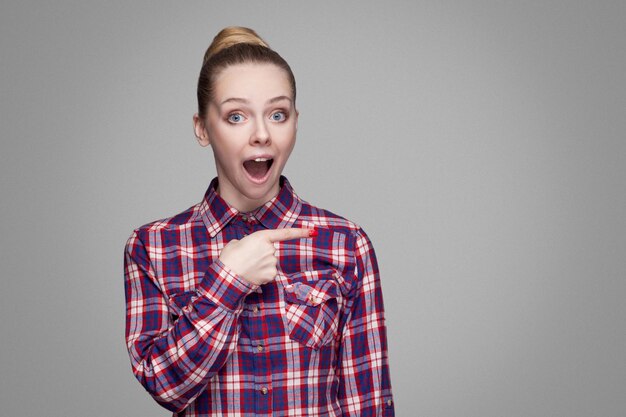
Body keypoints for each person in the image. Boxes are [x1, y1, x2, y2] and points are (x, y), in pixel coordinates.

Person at [123, 26, 395, 416]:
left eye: (277, 114)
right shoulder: (152, 247)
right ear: (202, 128)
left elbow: (365, 402)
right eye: (236, 116)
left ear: (295, 123)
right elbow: (165, 386)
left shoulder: (345, 243)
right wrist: (228, 281)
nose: (262, 134)